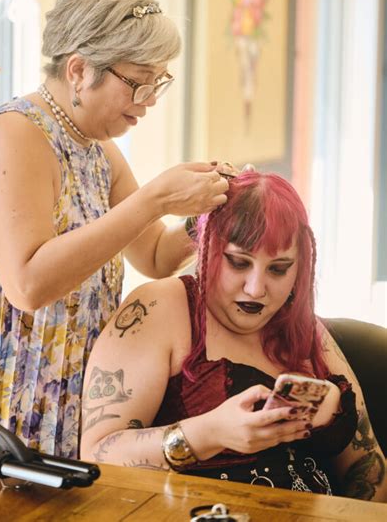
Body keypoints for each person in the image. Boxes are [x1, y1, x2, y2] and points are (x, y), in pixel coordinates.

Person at [0, 0, 232, 457]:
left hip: (69, 386)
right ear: (79, 70)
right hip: (3, 392)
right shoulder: (14, 135)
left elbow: (152, 254)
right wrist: (153, 199)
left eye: (158, 82)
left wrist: (209, 205)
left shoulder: (96, 149)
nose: (149, 100)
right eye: (139, 82)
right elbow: (27, 284)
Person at [81, 171, 387, 501]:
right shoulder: (158, 307)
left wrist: (330, 416)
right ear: (207, 247)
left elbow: (370, 471)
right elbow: (98, 455)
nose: (255, 289)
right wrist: (209, 433)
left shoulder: (308, 331)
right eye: (239, 262)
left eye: (278, 268)